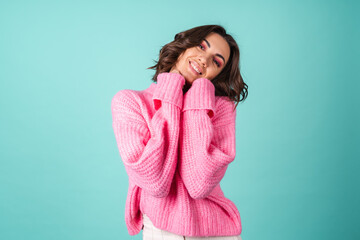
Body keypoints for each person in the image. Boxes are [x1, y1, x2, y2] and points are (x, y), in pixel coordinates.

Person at [111, 24, 248, 240]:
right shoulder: (130, 103)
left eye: (216, 61)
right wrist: (171, 87)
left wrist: (199, 95)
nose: (204, 60)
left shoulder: (220, 109)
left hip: (218, 232)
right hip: (161, 231)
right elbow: (155, 182)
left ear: (216, 76)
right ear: (184, 45)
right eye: (201, 47)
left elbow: (198, 184)